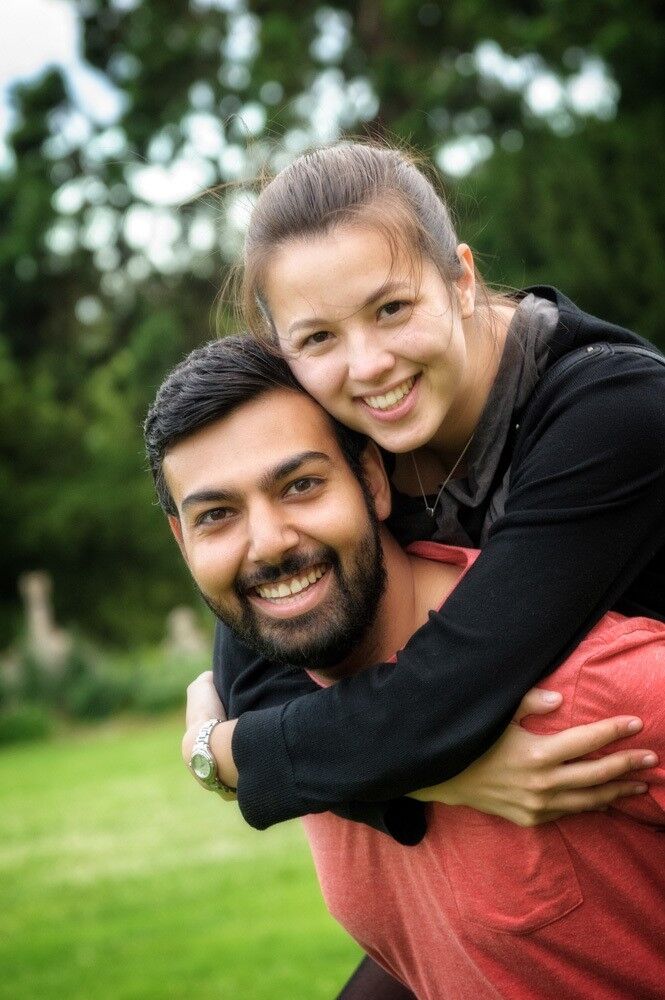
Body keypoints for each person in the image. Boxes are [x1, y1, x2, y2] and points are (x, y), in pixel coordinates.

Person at [144, 336, 664, 1000]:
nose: (267, 545)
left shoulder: (589, 690)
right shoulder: (295, 712)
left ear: (371, 480)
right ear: (182, 541)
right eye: (217, 516)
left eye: (301, 485)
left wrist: (220, 753)